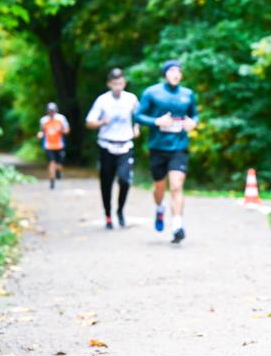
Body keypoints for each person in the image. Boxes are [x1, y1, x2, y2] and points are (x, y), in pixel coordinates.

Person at [133, 60, 198, 244]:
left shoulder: (187, 94)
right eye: (172, 71)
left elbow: (194, 115)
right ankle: (160, 208)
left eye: (179, 71)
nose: (176, 74)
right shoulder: (152, 93)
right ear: (165, 74)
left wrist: (193, 123)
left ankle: (177, 225)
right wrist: (156, 121)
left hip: (179, 147)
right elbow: (137, 115)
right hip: (158, 147)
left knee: (176, 185)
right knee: (160, 187)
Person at [85, 69, 140, 230]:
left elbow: (140, 115)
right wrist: (102, 122)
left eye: (121, 84)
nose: (118, 87)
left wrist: (136, 126)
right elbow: (89, 122)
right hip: (106, 146)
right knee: (106, 182)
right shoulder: (102, 100)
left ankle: (120, 210)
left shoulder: (131, 99)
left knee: (125, 180)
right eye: (115, 84)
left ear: (124, 83)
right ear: (109, 84)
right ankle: (108, 215)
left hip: (125, 145)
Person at [37, 102, 70, 190]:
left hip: (59, 145)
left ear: (55, 110)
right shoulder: (44, 120)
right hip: (49, 146)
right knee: (51, 163)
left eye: (53, 110)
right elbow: (41, 131)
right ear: (48, 111)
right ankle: (52, 181)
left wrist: (62, 131)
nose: (51, 112)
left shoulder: (61, 118)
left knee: (59, 165)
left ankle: (58, 172)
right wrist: (40, 135)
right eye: (50, 111)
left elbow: (67, 130)